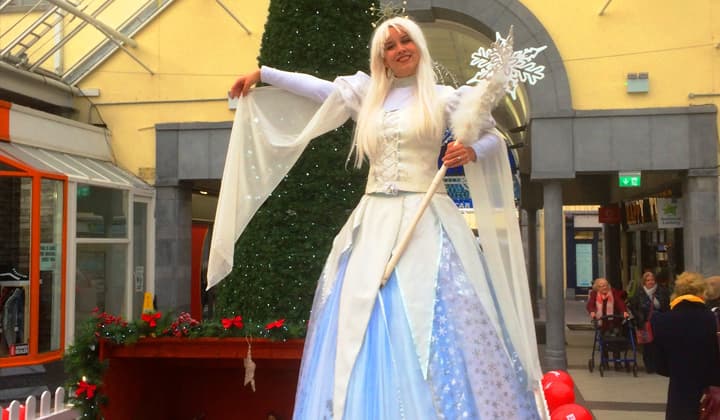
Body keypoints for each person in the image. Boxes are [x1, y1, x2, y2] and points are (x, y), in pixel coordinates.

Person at [210, 16, 545, 419]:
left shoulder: (445, 97)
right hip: (371, 222)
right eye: (390, 45)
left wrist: (472, 152)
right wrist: (264, 73)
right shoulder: (367, 94)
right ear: (381, 57)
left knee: (435, 313)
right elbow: (319, 88)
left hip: (428, 219)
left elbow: (492, 136)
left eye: (407, 40)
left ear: (419, 46)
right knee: (356, 314)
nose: (400, 48)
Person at [652, 271, 720, 420]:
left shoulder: (662, 320)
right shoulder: (711, 318)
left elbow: (659, 365)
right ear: (702, 291)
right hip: (706, 389)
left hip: (679, 390)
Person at [628, 271, 670, 373]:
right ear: (644, 282)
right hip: (645, 322)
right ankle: (650, 366)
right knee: (647, 346)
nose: (650, 282)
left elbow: (667, 305)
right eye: (648, 280)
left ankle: (659, 365)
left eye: (652, 280)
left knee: (659, 344)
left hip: (660, 322)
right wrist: (639, 318)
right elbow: (633, 307)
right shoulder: (639, 293)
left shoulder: (662, 291)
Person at [586, 277, 629, 369]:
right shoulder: (594, 294)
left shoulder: (613, 292)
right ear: (597, 288)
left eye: (605, 285)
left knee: (616, 340)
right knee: (603, 341)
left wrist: (624, 312)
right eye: (601, 286)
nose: (604, 287)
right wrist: (592, 312)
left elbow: (620, 303)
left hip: (614, 320)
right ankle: (605, 361)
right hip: (601, 322)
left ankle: (617, 361)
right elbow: (590, 305)